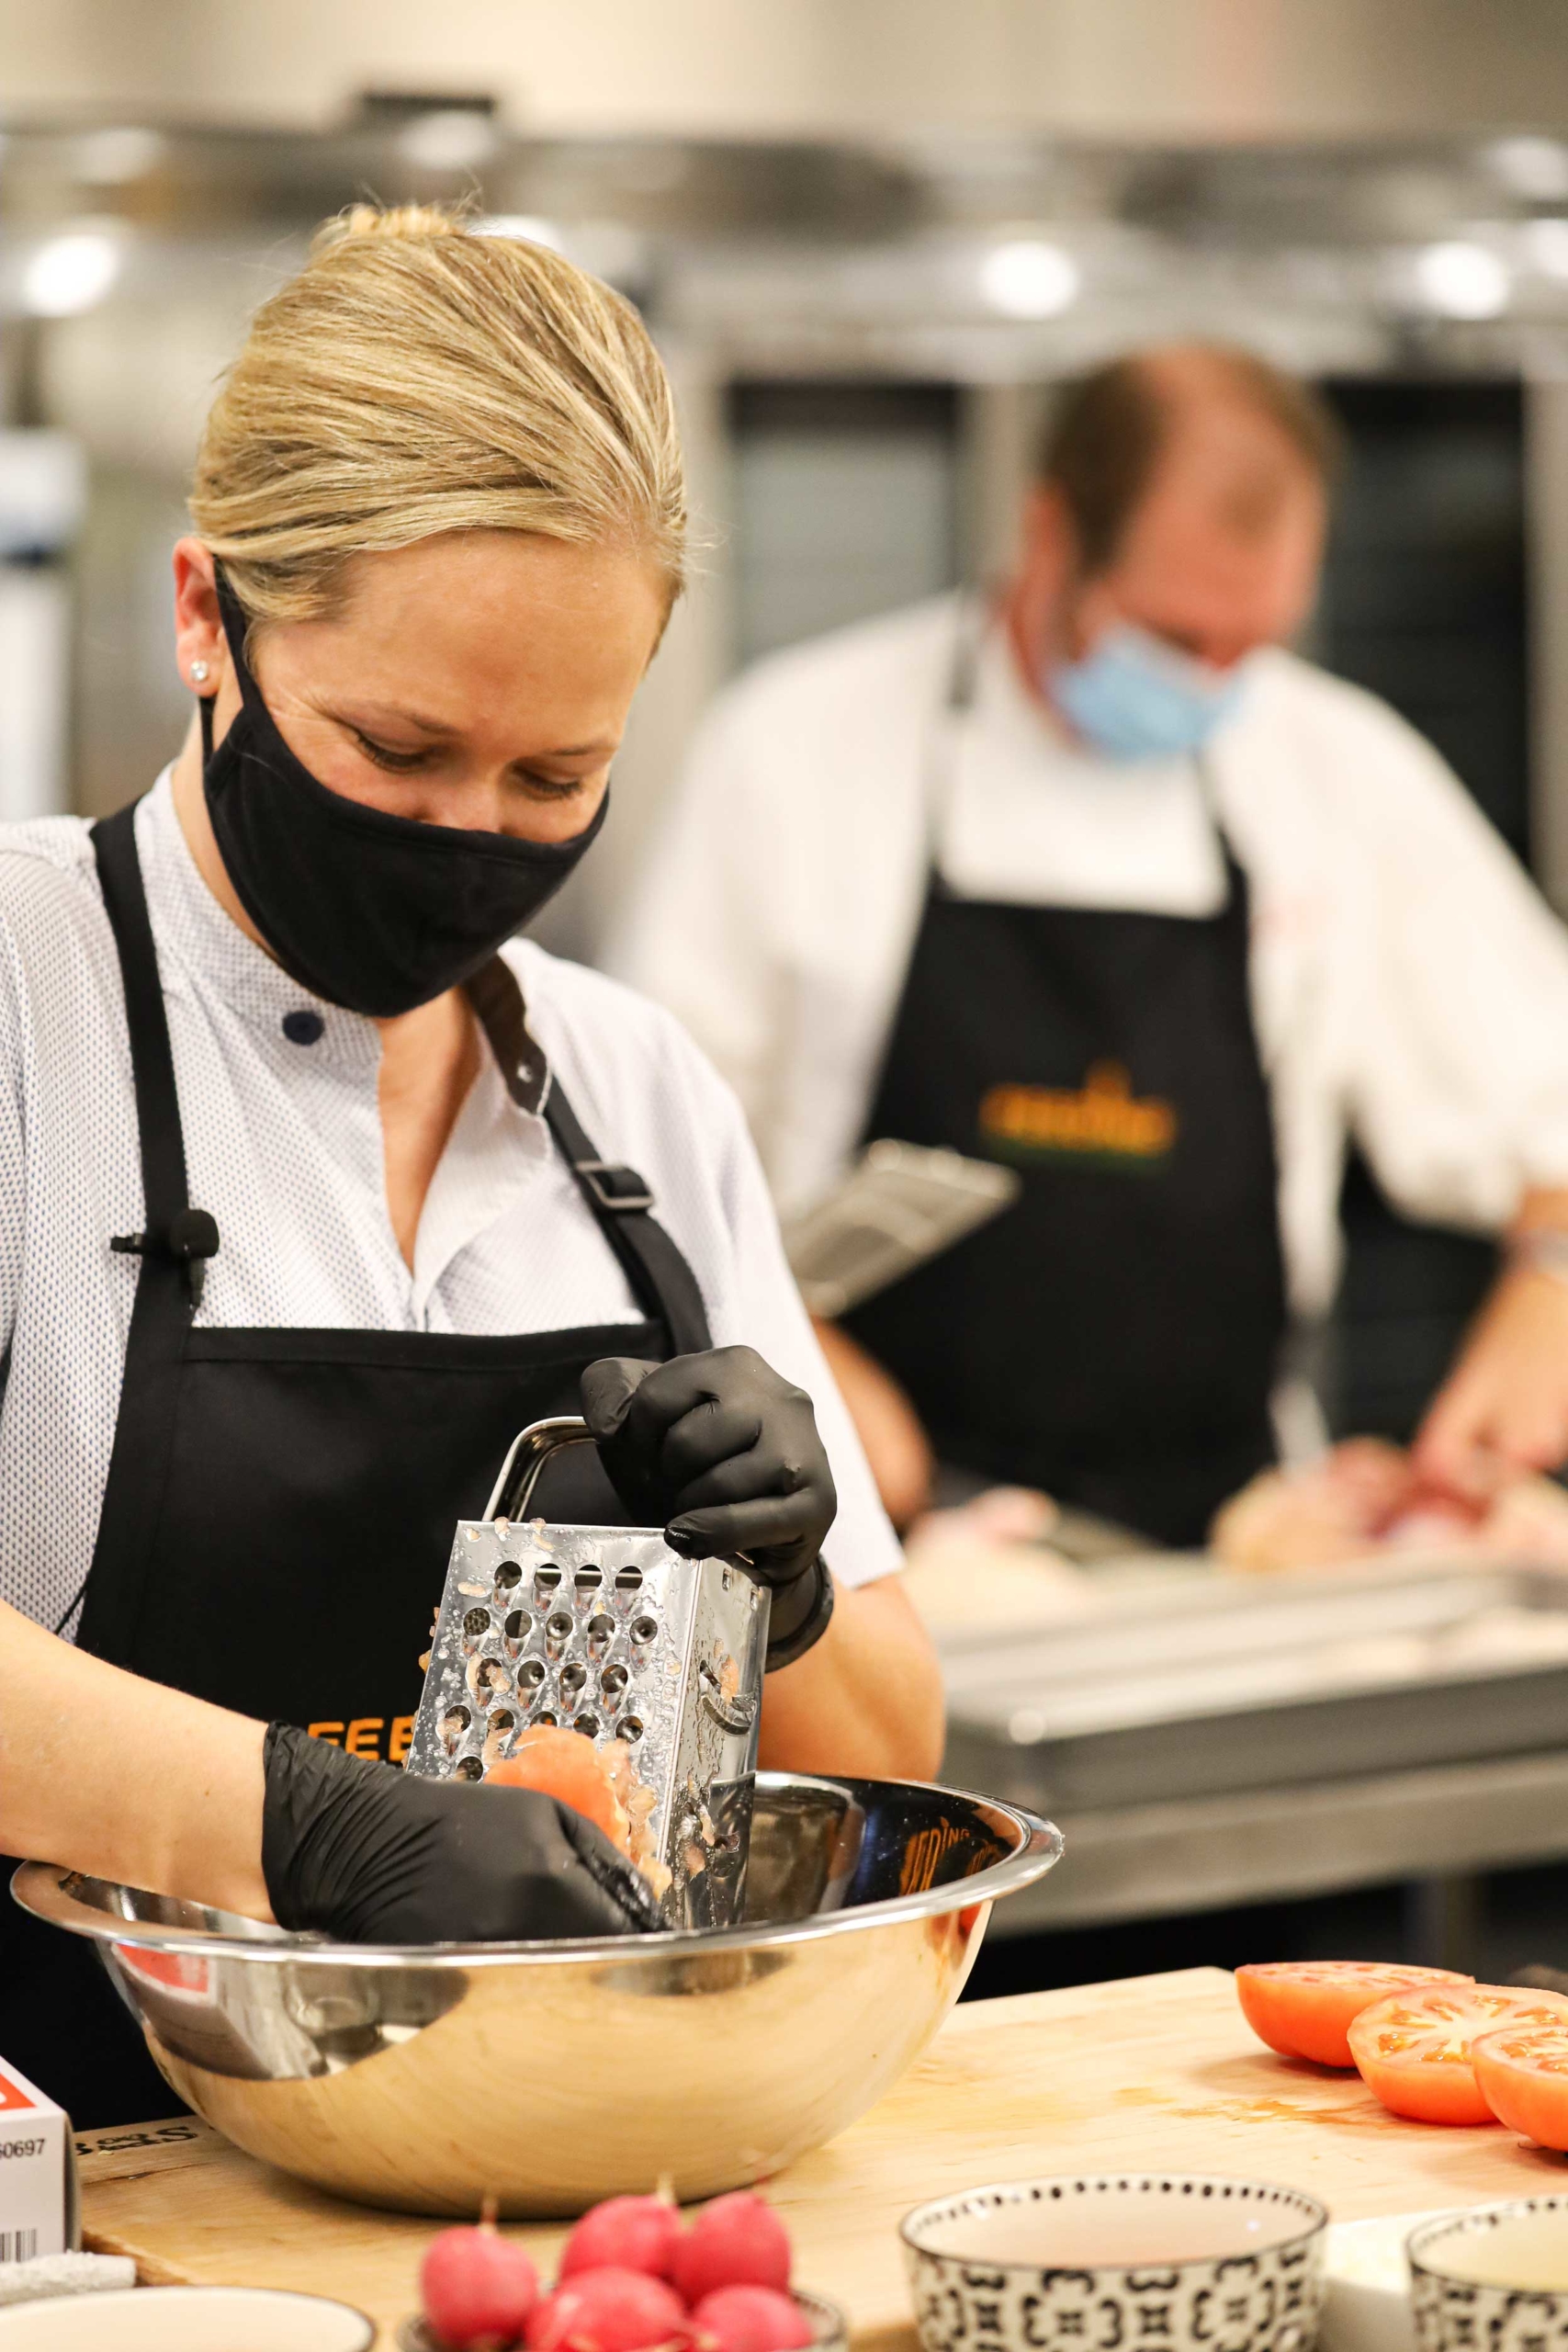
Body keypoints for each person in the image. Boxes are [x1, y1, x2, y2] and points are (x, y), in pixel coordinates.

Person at [0, 206, 942, 2129]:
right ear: (207, 617)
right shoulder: (22, 999)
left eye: (549, 779)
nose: (464, 840)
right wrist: (310, 1826)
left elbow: (890, 1758)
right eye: (398, 743)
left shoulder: (632, 1086)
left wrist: (790, 1586)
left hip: (533, 2181)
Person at [610, 343, 1568, 1546]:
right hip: (872, 1544)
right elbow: (632, 1181)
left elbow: (1549, 1096)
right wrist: (786, 1358)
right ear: (1051, 535)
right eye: (1175, 639)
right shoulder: (795, 755)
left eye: (1251, 644)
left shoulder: (1333, 770)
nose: (1215, 680)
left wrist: (1550, 1278)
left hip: (1232, 1544)